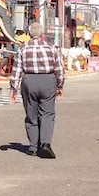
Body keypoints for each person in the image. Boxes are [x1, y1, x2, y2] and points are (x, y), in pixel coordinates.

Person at [9, 21, 64, 159]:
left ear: (29, 34)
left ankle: (33, 147)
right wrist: (60, 85)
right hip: (48, 80)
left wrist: (13, 89)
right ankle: (45, 144)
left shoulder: (23, 48)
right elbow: (59, 69)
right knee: (47, 113)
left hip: (29, 80)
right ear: (42, 34)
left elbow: (16, 70)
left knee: (31, 113)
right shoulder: (52, 48)